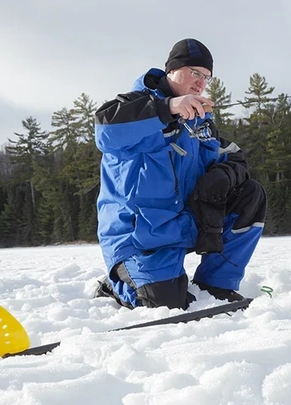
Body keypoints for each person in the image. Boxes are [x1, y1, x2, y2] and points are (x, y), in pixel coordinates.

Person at [92, 38, 267, 310]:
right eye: (195, 73)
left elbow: (235, 156)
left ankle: (216, 284)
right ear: (171, 70)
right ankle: (117, 284)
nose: (201, 82)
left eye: (206, 77)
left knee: (250, 193)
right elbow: (105, 130)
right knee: (166, 304)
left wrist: (223, 174)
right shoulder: (137, 106)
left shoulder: (199, 124)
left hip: (181, 226)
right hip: (138, 237)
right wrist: (167, 108)